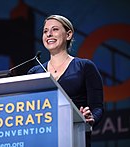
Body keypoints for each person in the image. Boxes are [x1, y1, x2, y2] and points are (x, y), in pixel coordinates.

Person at [28, 14, 104, 147]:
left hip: (75, 137)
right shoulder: (34, 72)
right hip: (42, 139)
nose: (49, 34)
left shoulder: (85, 66)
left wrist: (91, 118)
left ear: (68, 35)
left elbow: (97, 107)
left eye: (55, 29)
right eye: (45, 31)